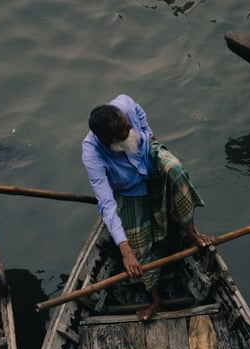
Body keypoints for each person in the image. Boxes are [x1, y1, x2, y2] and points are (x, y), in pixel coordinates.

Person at [81, 94, 214, 321]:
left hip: (147, 155)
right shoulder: (92, 153)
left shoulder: (124, 104)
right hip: (129, 190)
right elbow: (106, 204)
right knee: (138, 250)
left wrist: (148, 135)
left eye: (128, 125)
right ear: (108, 140)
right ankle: (156, 299)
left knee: (175, 170)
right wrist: (126, 252)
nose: (130, 130)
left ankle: (192, 233)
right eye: (125, 132)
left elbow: (140, 116)